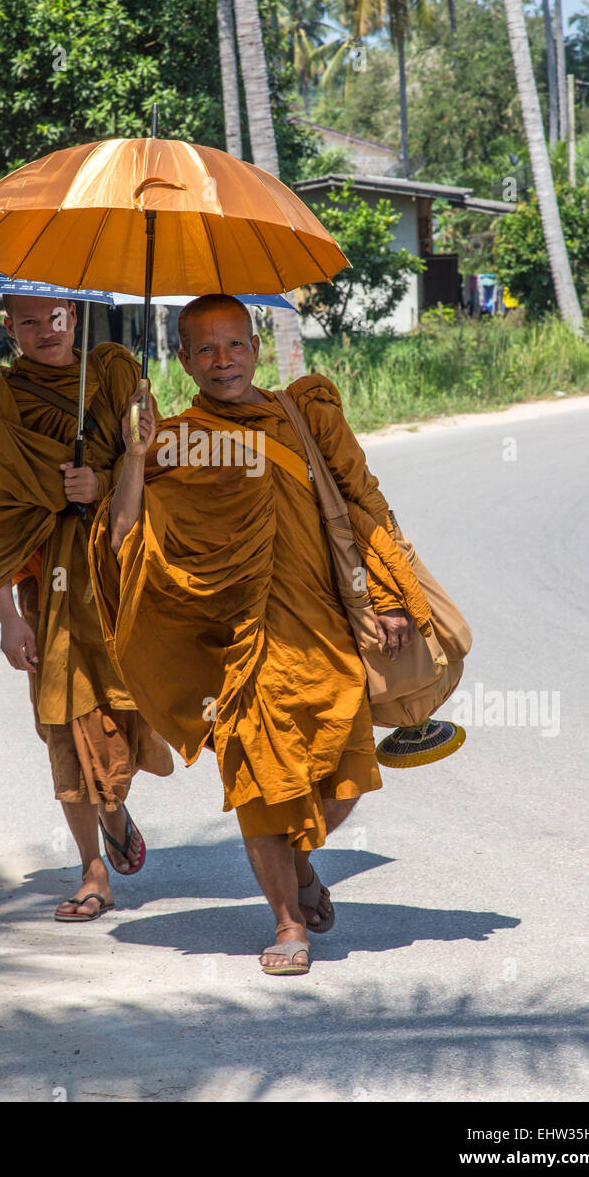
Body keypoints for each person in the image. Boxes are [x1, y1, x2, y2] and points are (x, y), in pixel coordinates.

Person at [89, 294, 434, 975]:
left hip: (323, 634)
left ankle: (299, 866)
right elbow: (123, 537)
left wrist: (394, 597)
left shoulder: (304, 417)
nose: (224, 361)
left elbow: (362, 503)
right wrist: (133, 455)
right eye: (207, 350)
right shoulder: (175, 439)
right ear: (184, 359)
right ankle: (285, 926)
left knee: (345, 774)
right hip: (232, 647)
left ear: (256, 346)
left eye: (236, 345)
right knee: (259, 785)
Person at [0, 294, 173, 921]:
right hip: (46, 596)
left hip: (117, 584)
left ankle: (113, 802)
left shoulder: (116, 374)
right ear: (9, 328)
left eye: (56, 317)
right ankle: (93, 871)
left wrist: (108, 473)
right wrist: (7, 617)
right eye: (29, 322)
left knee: (123, 715)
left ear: (76, 316)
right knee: (63, 726)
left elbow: (163, 468)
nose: (45, 331)